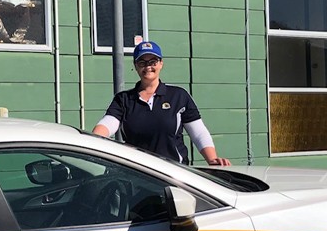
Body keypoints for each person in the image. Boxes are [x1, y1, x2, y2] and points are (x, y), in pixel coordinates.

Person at [93, 40, 231, 166]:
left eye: (153, 61)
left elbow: (199, 133)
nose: (148, 67)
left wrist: (212, 160)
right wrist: (93, 142)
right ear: (135, 66)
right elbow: (106, 125)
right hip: (136, 174)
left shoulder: (178, 96)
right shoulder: (123, 99)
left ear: (161, 64)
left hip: (174, 174)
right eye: (142, 62)